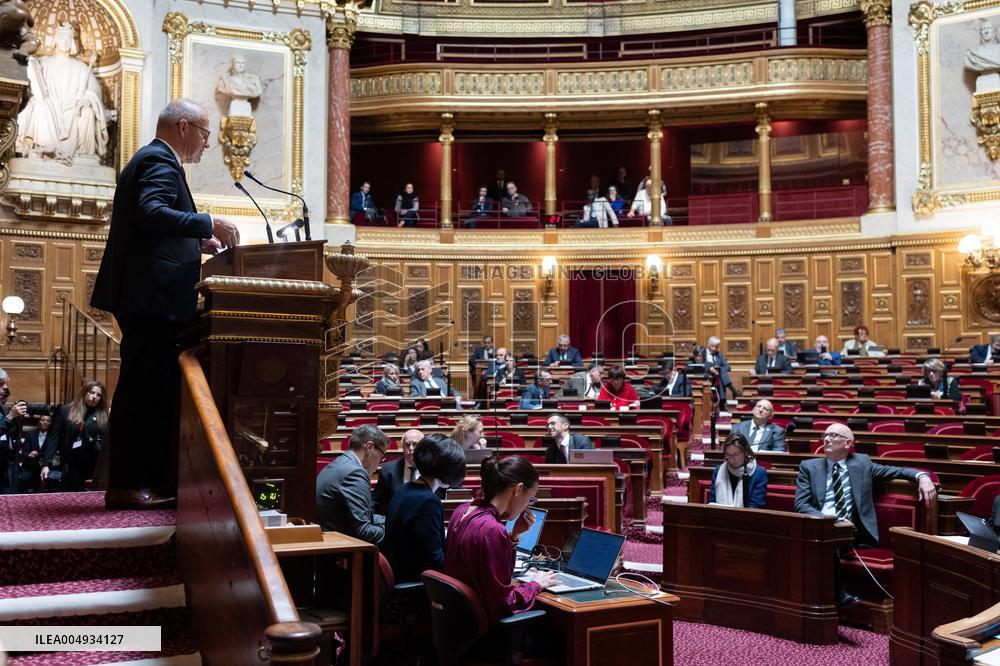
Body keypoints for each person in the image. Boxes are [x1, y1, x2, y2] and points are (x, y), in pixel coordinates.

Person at [91, 99, 241, 510]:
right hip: (150, 299)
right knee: (141, 390)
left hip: (150, 297)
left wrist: (196, 241)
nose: (208, 143)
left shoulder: (154, 159)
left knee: (150, 388)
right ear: (184, 126)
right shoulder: (159, 160)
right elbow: (151, 212)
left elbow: (154, 227)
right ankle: (126, 485)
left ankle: (141, 481)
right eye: (205, 133)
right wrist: (208, 222)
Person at [794, 423, 937, 608]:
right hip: (822, 525)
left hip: (852, 533)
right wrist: (831, 521)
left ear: (848, 443)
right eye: (825, 435)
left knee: (827, 542)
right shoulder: (809, 467)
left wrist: (923, 477)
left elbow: (897, 471)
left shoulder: (862, 463)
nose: (827, 439)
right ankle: (838, 595)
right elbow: (801, 504)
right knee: (823, 539)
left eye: (834, 435)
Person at [444, 455, 557, 624]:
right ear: (518, 489)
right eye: (530, 499)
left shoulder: (462, 510)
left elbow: (483, 564)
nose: (527, 506)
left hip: (458, 618)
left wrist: (514, 535)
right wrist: (536, 584)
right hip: (482, 624)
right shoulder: (492, 529)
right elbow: (504, 603)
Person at [382, 434, 466, 584]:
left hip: (401, 575)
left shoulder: (404, 489)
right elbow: (435, 562)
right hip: (418, 587)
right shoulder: (428, 501)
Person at [316, 424, 389, 544]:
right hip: (339, 548)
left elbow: (364, 516)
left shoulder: (340, 463)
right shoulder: (355, 472)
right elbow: (364, 532)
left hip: (329, 539)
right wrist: (397, 529)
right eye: (381, 457)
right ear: (369, 447)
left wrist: (392, 520)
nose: (379, 464)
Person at [42, 381, 108, 493]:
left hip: (94, 465)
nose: (95, 397)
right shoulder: (65, 411)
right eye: (92, 392)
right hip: (71, 464)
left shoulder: (103, 415)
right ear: (84, 393)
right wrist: (46, 464)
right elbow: (53, 438)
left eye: (98, 395)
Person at [707, 434, 768, 509]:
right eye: (728, 454)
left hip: (747, 516)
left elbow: (756, 506)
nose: (731, 459)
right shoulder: (718, 471)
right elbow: (711, 502)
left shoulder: (759, 473)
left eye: (735, 454)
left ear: (746, 453)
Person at [372, 428, 424, 514]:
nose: (411, 448)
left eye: (415, 444)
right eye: (407, 445)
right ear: (402, 447)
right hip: (395, 519)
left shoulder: (432, 468)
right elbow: (376, 502)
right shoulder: (388, 470)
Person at [19, 412, 50, 493]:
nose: (45, 422)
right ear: (38, 421)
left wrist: (38, 454)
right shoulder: (31, 434)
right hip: (30, 464)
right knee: (22, 479)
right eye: (43, 420)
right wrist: (29, 455)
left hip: (46, 465)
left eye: (48, 421)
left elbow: (52, 451)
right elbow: (24, 451)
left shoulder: (53, 436)